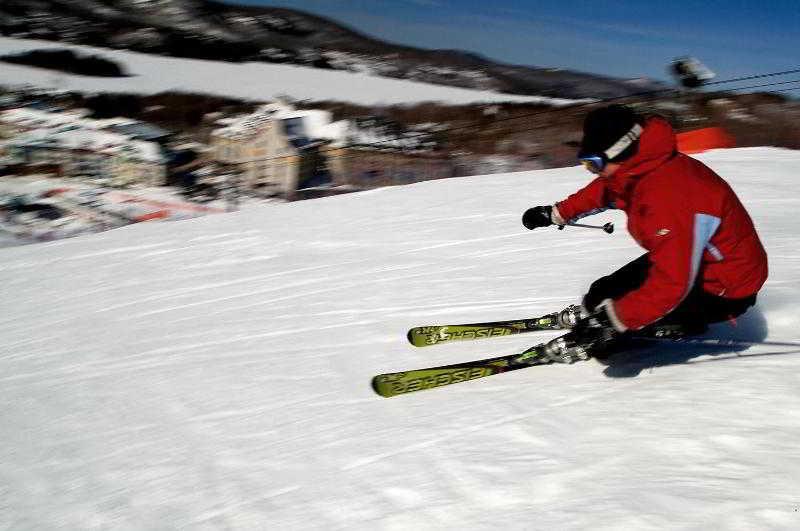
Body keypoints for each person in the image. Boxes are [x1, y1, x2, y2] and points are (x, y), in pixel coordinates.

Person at [521, 105, 768, 362]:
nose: (590, 169)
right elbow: (605, 190)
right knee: (601, 292)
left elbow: (671, 284)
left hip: (725, 286)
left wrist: (613, 322)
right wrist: (556, 213)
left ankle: (683, 324)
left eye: (593, 163)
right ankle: (596, 315)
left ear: (620, 152)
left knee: (615, 336)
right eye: (585, 163)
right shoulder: (636, 168)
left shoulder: (669, 197)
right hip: (693, 257)